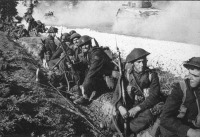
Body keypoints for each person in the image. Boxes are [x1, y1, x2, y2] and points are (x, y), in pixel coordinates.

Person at [111, 48, 162, 137]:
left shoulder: (152, 75)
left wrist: (137, 108)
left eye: (144, 61)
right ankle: (121, 129)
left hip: (144, 106)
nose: (142, 65)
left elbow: (154, 96)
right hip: (129, 104)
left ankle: (128, 131)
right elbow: (116, 94)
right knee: (114, 125)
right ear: (133, 63)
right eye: (138, 62)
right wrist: (120, 107)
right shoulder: (126, 75)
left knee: (148, 117)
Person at [160, 57, 200, 137]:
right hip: (178, 129)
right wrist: (191, 132)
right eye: (189, 73)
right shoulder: (180, 88)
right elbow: (165, 118)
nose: (190, 77)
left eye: (195, 76)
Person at [73, 35, 114, 104]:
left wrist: (84, 86)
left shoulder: (96, 54)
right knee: (81, 72)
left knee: (90, 77)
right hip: (101, 76)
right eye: (82, 45)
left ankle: (85, 97)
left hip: (108, 78)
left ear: (90, 44)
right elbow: (84, 63)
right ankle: (81, 93)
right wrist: (74, 65)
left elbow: (92, 71)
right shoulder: (89, 53)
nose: (84, 47)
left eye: (86, 44)